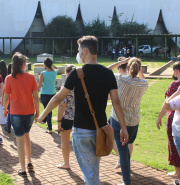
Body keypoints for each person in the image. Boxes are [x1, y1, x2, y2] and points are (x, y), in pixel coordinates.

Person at [38, 35, 129, 185]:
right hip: (101, 129)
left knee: (90, 176)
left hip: (82, 131)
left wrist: (42, 115)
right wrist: (124, 128)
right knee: (92, 172)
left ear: (85, 50)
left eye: (79, 50)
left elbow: (57, 98)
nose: (78, 53)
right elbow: (116, 102)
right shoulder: (108, 73)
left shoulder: (77, 72)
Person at [109, 57, 148, 185]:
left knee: (122, 151)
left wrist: (120, 62)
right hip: (134, 121)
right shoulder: (143, 84)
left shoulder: (120, 79)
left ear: (127, 67)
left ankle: (126, 181)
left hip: (119, 120)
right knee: (125, 149)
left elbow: (106, 70)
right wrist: (138, 69)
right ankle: (126, 174)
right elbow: (142, 78)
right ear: (139, 69)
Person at [3, 52, 39, 177]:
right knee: (27, 136)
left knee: (19, 141)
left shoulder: (9, 78)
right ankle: (29, 163)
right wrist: (38, 112)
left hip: (16, 113)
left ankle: (23, 169)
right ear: (23, 64)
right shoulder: (31, 77)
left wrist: (4, 110)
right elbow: (36, 98)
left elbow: (6, 97)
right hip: (29, 113)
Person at [157, 60, 180, 179]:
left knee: (173, 144)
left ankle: (177, 172)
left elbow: (166, 103)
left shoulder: (175, 85)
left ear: (176, 71)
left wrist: (159, 117)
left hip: (175, 119)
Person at [107, 57, 127, 169]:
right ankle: (125, 160)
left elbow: (107, 69)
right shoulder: (133, 79)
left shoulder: (117, 78)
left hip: (116, 114)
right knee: (128, 141)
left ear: (119, 67)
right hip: (131, 116)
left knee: (114, 138)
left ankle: (122, 159)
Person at [57, 64, 75, 170]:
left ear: (67, 73)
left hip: (67, 117)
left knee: (65, 141)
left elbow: (62, 104)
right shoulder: (82, 85)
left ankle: (66, 162)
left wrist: (59, 121)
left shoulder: (65, 86)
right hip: (80, 117)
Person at [38, 58, 58, 134]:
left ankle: (49, 128)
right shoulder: (55, 72)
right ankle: (46, 122)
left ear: (45, 65)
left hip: (44, 94)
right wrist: (51, 64)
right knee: (49, 110)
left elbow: (39, 85)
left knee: (47, 110)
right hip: (52, 93)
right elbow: (57, 68)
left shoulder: (43, 73)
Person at [0, 60, 7, 125]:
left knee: (0, 105)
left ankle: (2, 121)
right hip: (7, 89)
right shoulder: (8, 72)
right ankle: (6, 119)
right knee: (7, 104)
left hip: (0, 89)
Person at [4, 63, 12, 133]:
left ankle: (8, 127)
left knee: (9, 111)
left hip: (10, 97)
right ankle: (9, 126)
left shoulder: (8, 78)